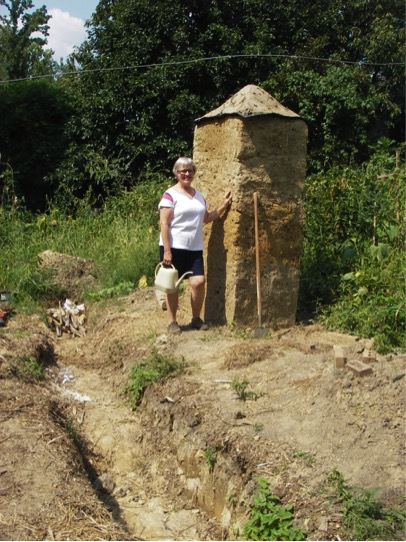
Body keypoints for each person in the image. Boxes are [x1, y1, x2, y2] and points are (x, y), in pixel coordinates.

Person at [158, 157, 232, 334]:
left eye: (190, 170)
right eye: (182, 171)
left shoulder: (198, 195)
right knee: (172, 285)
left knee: (199, 282)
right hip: (173, 248)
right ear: (176, 173)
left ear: (194, 173)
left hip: (194, 248)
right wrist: (167, 251)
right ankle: (172, 322)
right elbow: (164, 224)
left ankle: (196, 319)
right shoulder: (170, 195)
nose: (186, 174)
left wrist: (223, 207)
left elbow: (205, 218)